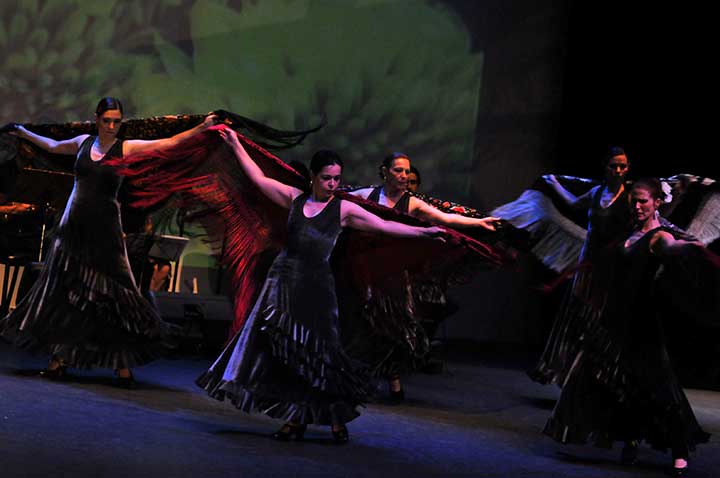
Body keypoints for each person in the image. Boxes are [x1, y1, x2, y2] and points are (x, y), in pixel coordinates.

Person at [196, 130, 445, 443]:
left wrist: (423, 233)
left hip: (317, 289)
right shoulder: (294, 199)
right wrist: (234, 144)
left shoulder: (343, 209)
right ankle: (294, 420)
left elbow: (384, 225)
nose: (333, 184)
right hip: (283, 285)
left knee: (320, 356)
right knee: (286, 355)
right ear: (313, 176)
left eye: (337, 179)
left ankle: (335, 421)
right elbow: (258, 179)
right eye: (327, 178)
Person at [0, 97, 215, 387]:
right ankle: (59, 359)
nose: (112, 126)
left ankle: (121, 364)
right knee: (66, 292)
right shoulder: (83, 143)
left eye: (117, 121)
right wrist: (23, 132)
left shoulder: (125, 148)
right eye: (107, 120)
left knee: (114, 296)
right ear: (97, 119)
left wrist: (202, 128)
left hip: (105, 231)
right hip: (73, 229)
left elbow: (168, 144)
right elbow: (51, 146)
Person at [544, 178, 713, 476]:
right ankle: (630, 439)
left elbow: (671, 247)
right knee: (614, 382)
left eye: (643, 201)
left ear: (657, 202)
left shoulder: (658, 237)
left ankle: (679, 449)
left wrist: (688, 248)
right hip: (612, 319)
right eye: (633, 201)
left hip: (641, 324)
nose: (636, 206)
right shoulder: (629, 233)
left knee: (657, 386)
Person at [349, 152, 499, 399]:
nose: (404, 176)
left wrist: (478, 223)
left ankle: (394, 380)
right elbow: (335, 201)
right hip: (367, 271)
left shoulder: (412, 203)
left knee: (397, 327)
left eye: (406, 171)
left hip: (395, 273)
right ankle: (359, 379)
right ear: (384, 171)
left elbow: (445, 217)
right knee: (364, 325)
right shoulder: (366, 196)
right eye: (398, 170)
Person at [529, 146, 633, 385]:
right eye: (614, 165)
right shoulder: (597, 192)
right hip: (588, 261)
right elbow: (574, 204)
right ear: (605, 167)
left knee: (601, 317)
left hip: (611, 265)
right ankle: (570, 372)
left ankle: (601, 373)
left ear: (627, 168)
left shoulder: (630, 197)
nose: (618, 170)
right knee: (577, 315)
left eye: (623, 166)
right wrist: (554, 184)